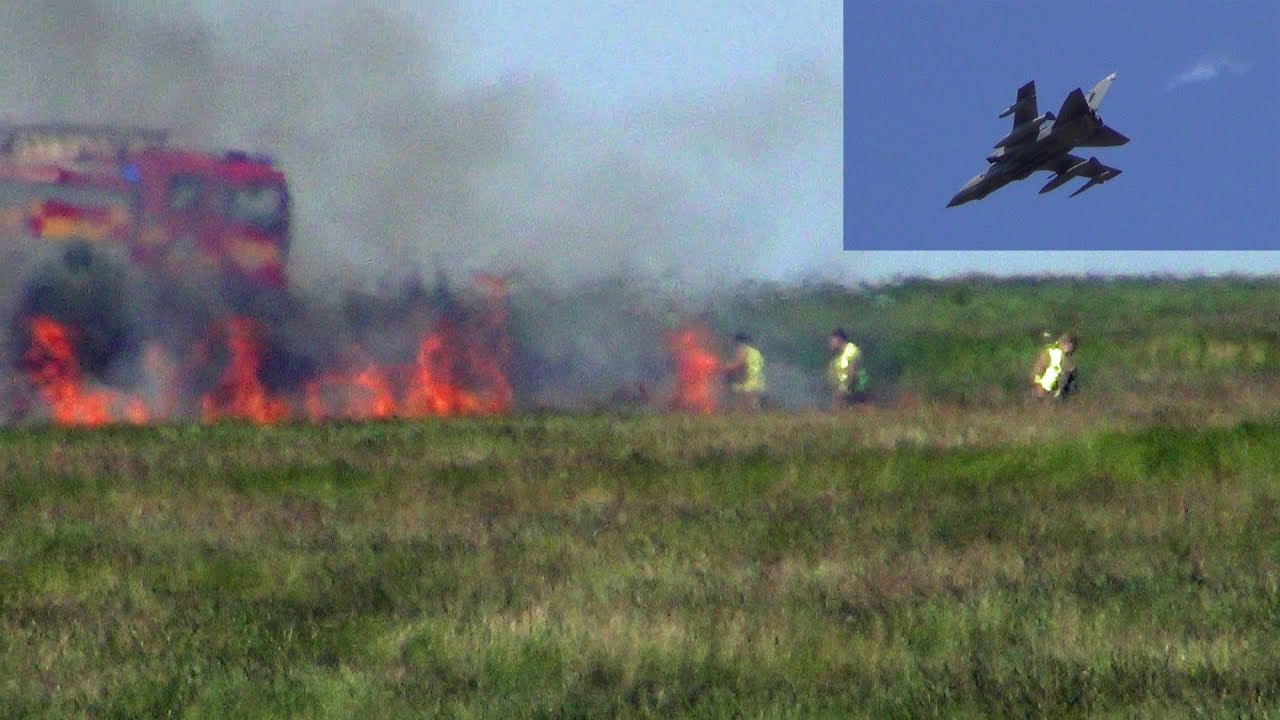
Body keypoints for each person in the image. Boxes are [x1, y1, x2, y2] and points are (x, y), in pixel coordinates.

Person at [723, 332, 765, 411]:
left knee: (740, 408)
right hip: (758, 383)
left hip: (746, 384)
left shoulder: (743, 350)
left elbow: (738, 364)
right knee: (753, 409)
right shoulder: (756, 352)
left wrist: (724, 368)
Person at [827, 328, 868, 409]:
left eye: (832, 341)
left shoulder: (851, 352)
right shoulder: (837, 358)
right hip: (845, 393)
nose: (830, 344)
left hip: (856, 392)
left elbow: (851, 373)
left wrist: (842, 391)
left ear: (839, 340)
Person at [1031, 333, 1078, 399]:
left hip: (1056, 391)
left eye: (1072, 345)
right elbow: (1037, 372)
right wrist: (1038, 386)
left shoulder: (1067, 359)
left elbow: (1071, 373)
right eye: (1067, 344)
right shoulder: (1050, 354)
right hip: (1044, 389)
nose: (1070, 347)